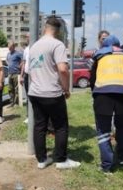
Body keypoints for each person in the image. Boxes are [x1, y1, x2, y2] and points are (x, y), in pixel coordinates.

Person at [26, 16, 81, 169]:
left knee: (39, 126)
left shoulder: (34, 46)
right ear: (59, 30)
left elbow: (29, 71)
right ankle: (61, 160)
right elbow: (63, 69)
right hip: (51, 92)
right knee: (61, 126)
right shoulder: (57, 45)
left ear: (45, 27)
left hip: (35, 92)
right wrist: (66, 88)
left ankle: (42, 160)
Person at [91, 35, 123, 173]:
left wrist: (95, 93)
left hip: (103, 93)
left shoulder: (99, 55)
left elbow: (92, 78)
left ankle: (107, 165)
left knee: (103, 130)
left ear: (104, 45)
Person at [5, 42, 23, 109]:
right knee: (10, 88)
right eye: (8, 47)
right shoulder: (8, 54)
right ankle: (11, 102)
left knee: (16, 89)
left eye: (10, 47)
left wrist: (20, 65)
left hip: (16, 73)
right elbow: (6, 60)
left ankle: (16, 103)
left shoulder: (18, 53)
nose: (9, 48)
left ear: (13, 47)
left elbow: (23, 60)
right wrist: (8, 63)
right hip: (10, 73)